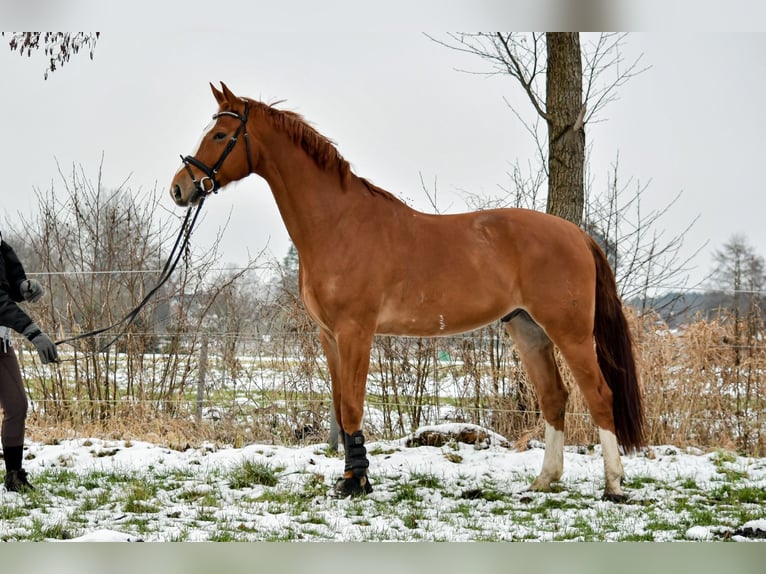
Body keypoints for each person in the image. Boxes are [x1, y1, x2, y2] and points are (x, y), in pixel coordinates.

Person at [0, 232, 58, 492]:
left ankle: (14, 476)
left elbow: (7, 281)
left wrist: (23, 286)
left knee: (17, 406)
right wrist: (33, 332)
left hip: (1, 343)